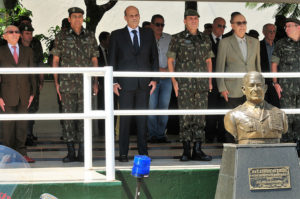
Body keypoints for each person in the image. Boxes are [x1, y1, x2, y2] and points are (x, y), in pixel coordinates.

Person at [108, 6, 158, 162]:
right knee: (125, 121)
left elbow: (154, 57)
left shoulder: (148, 33)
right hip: (124, 85)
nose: (134, 18)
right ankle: (123, 153)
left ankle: (143, 152)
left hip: (144, 84)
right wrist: (113, 81)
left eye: (137, 15)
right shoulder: (116, 35)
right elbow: (112, 60)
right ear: (125, 18)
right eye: (131, 16)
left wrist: (154, 78)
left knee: (142, 120)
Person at [51, 7, 99, 163]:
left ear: (83, 18)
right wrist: (56, 83)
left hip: (85, 84)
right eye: (75, 16)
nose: (78, 19)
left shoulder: (90, 36)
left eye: (80, 16)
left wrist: (96, 81)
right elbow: (56, 61)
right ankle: (71, 152)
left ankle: (83, 153)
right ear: (69, 19)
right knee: (68, 119)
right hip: (67, 84)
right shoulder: (61, 37)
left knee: (85, 120)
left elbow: (94, 60)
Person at [167, 9, 213, 162]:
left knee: (200, 118)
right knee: (186, 118)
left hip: (201, 84)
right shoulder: (177, 38)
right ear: (184, 21)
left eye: (196, 18)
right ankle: (186, 150)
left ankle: (198, 150)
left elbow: (208, 61)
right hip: (185, 85)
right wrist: (174, 81)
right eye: (190, 18)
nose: (194, 20)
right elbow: (170, 61)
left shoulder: (205, 39)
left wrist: (210, 80)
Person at [216, 13, 261, 142]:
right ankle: (231, 146)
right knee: (232, 120)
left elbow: (257, 67)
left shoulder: (255, 42)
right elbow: (220, 67)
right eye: (239, 23)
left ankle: (248, 145)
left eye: (244, 22)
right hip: (231, 88)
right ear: (232, 25)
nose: (242, 26)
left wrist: (260, 86)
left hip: (251, 88)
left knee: (250, 119)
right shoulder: (225, 42)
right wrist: (222, 88)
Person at [0, 25, 36, 163]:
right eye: (11, 32)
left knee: (22, 124)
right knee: (7, 126)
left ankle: (21, 154)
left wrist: (33, 93)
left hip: (24, 93)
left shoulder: (28, 51)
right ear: (4, 36)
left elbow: (32, 72)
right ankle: (7, 154)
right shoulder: (1, 51)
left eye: (17, 32)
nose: (14, 34)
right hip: (6, 94)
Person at [224, 71, 288, 144]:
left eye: (259, 85)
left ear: (265, 88)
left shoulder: (280, 114)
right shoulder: (233, 116)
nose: (256, 89)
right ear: (244, 90)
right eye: (251, 85)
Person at [271, 18, 300, 156]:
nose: (286, 29)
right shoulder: (281, 44)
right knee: (288, 117)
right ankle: (288, 147)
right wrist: (275, 83)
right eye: (285, 27)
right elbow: (274, 64)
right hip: (286, 87)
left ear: (298, 27)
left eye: (289, 26)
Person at [147, 14, 172, 143]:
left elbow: (174, 59)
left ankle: (161, 134)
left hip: (167, 78)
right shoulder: (145, 38)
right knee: (151, 107)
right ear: (151, 25)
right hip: (152, 78)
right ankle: (152, 135)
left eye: (162, 24)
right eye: (157, 24)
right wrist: (156, 70)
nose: (160, 27)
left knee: (164, 107)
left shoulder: (169, 38)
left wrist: (168, 71)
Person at [19, 23, 44, 147]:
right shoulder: (15, 46)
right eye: (27, 33)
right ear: (21, 35)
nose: (30, 36)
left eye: (31, 34)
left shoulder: (36, 44)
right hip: (18, 83)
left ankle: (29, 135)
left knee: (32, 108)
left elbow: (40, 62)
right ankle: (20, 136)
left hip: (33, 81)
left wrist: (41, 79)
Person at [205, 17, 226, 143]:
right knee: (211, 109)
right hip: (210, 80)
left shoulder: (227, 41)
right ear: (213, 26)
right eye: (219, 26)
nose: (222, 29)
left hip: (224, 81)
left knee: (223, 110)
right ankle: (209, 135)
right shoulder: (205, 40)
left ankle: (222, 135)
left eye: (224, 26)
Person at [260, 23, 280, 108]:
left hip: (278, 82)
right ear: (264, 32)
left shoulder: (279, 45)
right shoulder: (258, 45)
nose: (272, 33)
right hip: (264, 81)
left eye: (274, 31)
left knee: (277, 107)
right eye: (270, 31)